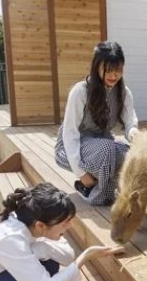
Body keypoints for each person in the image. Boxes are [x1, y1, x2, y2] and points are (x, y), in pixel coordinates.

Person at [54, 41, 139, 206]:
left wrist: (134, 134)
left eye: (118, 70)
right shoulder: (80, 92)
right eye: (108, 70)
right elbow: (70, 133)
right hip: (72, 146)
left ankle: (97, 189)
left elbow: (130, 123)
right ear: (96, 67)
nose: (113, 76)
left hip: (102, 144)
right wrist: (81, 173)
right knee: (108, 149)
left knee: (128, 154)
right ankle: (92, 190)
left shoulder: (124, 93)